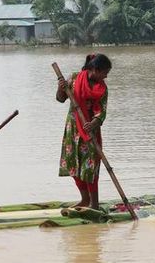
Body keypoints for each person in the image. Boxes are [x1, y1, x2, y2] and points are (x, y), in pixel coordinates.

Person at [56, 53, 112, 210]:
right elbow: (60, 99)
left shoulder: (102, 88)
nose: (106, 76)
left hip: (90, 132)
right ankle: (84, 199)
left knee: (90, 167)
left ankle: (94, 204)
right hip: (73, 129)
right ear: (94, 69)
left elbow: (102, 112)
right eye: (104, 72)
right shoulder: (74, 79)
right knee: (73, 164)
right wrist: (60, 89)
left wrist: (93, 124)